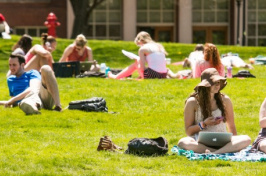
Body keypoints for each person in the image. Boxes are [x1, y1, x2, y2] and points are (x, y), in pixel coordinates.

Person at [177, 68, 251, 154]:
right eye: (214, 83)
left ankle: (214, 153)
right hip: (200, 142)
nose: (217, 85)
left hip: (223, 141)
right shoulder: (193, 102)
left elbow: (231, 127)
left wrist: (234, 144)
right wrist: (204, 124)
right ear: (206, 85)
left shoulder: (225, 100)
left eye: (218, 82)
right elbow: (188, 131)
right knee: (183, 142)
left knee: (246, 139)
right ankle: (219, 152)